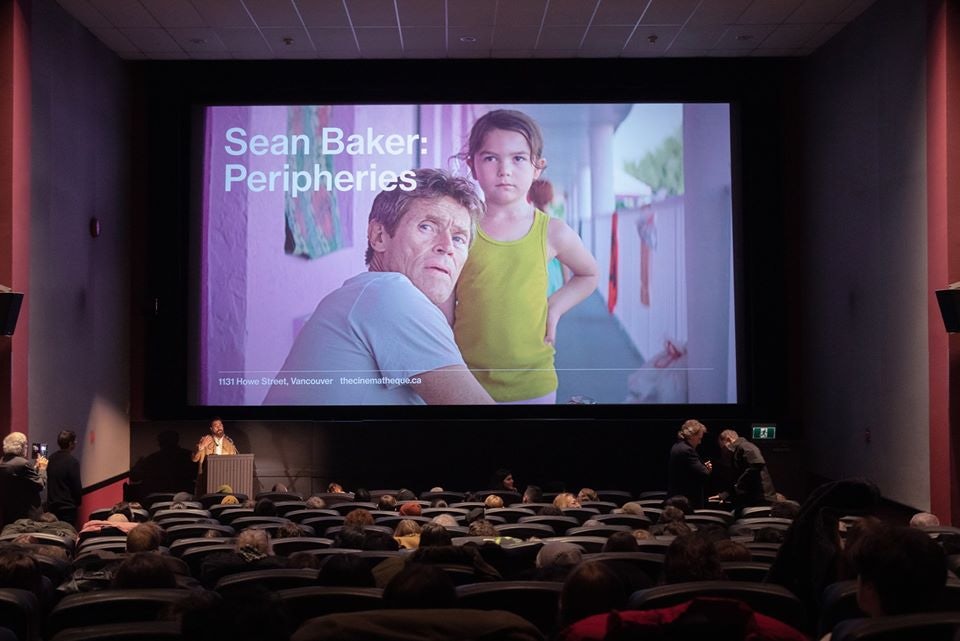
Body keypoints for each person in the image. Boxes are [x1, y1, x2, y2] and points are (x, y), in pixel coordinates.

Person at [265, 168, 494, 405]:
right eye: (427, 226)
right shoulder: (390, 293)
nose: (447, 246)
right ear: (379, 236)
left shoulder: (364, 294)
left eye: (459, 238)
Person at [454, 109, 599, 404]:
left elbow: (589, 274)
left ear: (537, 168)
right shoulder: (460, 226)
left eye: (518, 158)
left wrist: (555, 307)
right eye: (490, 157)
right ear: (472, 164)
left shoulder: (552, 232)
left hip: (535, 384)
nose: (504, 169)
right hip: (466, 381)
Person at [709, 428, 777, 509]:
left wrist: (737, 486)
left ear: (728, 439)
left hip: (761, 499)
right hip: (755, 499)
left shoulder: (745, 445)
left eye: (723, 447)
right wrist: (726, 495)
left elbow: (757, 464)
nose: (724, 451)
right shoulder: (739, 450)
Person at [0, 431, 47, 525]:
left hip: (10, 514)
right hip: (28, 515)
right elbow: (40, 485)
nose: (27, 448)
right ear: (20, 447)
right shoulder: (23, 463)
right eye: (25, 445)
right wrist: (42, 469)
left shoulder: (2, 461)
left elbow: (20, 480)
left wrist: (34, 469)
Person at [666, 419, 713, 509]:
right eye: (699, 438)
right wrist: (708, 469)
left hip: (678, 498)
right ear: (691, 436)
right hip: (686, 500)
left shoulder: (677, 446)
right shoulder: (687, 450)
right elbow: (703, 473)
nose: (700, 442)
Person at [45, 430, 82, 526]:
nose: (76, 443)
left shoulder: (51, 459)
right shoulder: (73, 462)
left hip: (52, 508)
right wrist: (77, 503)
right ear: (70, 443)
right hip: (67, 509)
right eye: (74, 441)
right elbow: (76, 487)